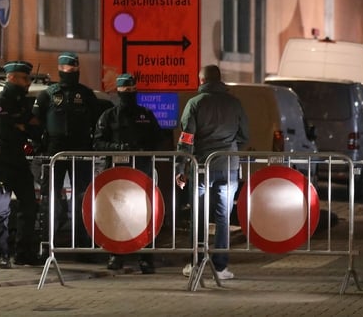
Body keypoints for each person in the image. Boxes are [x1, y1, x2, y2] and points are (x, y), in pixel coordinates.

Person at [175, 65, 249, 280]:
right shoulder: (235, 103)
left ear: (201, 81)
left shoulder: (195, 104)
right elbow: (245, 135)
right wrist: (230, 150)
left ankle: (195, 263)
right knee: (223, 217)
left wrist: (181, 168)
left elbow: (186, 139)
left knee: (198, 216)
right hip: (228, 167)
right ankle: (220, 267)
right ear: (220, 79)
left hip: (201, 167)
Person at [93, 73, 162, 274]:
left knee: (144, 214)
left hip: (141, 171)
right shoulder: (109, 116)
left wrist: (142, 149)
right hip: (117, 174)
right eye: (126, 90)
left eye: (133, 90)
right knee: (116, 214)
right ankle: (116, 254)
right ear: (119, 91)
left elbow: (158, 139)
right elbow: (98, 142)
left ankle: (146, 257)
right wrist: (118, 147)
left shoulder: (146, 115)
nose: (130, 93)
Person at [32, 52, 99, 253]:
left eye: (74, 69)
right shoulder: (48, 94)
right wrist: (39, 144)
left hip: (81, 150)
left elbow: (98, 121)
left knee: (82, 197)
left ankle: (82, 246)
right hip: (54, 151)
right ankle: (47, 245)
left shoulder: (86, 95)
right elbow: (35, 122)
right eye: (68, 69)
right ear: (60, 70)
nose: (71, 72)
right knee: (50, 198)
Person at [0, 61, 40, 268]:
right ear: (12, 78)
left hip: (18, 161)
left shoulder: (20, 103)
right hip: (2, 163)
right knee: (2, 210)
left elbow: (35, 127)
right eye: (25, 78)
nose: (28, 82)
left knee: (29, 206)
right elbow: (6, 132)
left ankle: (23, 253)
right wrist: (22, 127)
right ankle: (2, 254)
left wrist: (22, 126)